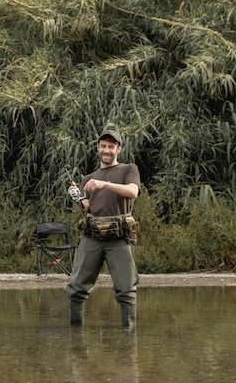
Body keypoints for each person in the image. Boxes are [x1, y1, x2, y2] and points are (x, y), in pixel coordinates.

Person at [66, 129, 141, 329]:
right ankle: (75, 338)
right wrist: (76, 197)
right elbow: (86, 210)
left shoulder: (128, 169)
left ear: (118, 149)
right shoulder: (88, 178)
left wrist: (105, 184)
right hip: (92, 237)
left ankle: (128, 343)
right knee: (76, 289)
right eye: (103, 146)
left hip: (120, 238)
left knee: (126, 291)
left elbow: (133, 192)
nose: (107, 150)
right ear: (98, 148)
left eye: (111, 146)